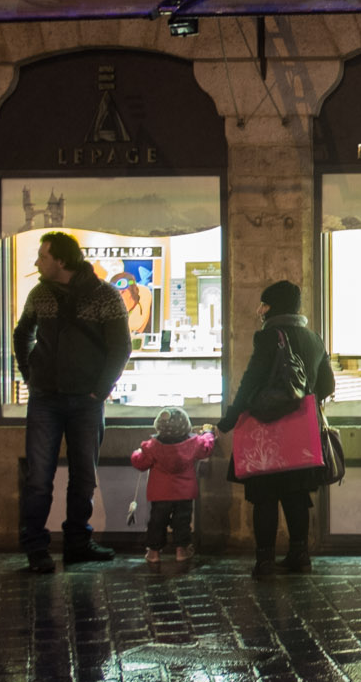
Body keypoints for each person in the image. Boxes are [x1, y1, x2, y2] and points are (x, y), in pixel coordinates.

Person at [13, 231, 132, 574]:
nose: (37, 262)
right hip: (46, 397)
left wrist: (100, 389)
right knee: (39, 476)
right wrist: (30, 374)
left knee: (83, 476)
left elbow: (120, 347)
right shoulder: (40, 294)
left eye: (42, 256)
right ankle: (36, 548)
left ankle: (78, 542)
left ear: (61, 260)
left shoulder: (105, 296)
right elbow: (23, 333)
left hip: (85, 399)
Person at [221, 281, 336, 577]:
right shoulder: (314, 338)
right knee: (296, 496)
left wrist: (231, 417)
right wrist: (301, 400)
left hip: (267, 430)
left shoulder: (269, 336)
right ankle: (300, 555)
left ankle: (265, 561)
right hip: (302, 432)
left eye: (263, 304)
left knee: (265, 497)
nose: (260, 310)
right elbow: (327, 385)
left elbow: (250, 381)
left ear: (273, 307)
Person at [130, 407, 215, 563]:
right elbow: (206, 447)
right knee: (182, 522)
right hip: (184, 494)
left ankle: (153, 553)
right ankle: (181, 551)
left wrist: (136, 453)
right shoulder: (193, 443)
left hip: (160, 494)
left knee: (157, 522)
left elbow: (140, 463)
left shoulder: (152, 447)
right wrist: (208, 432)